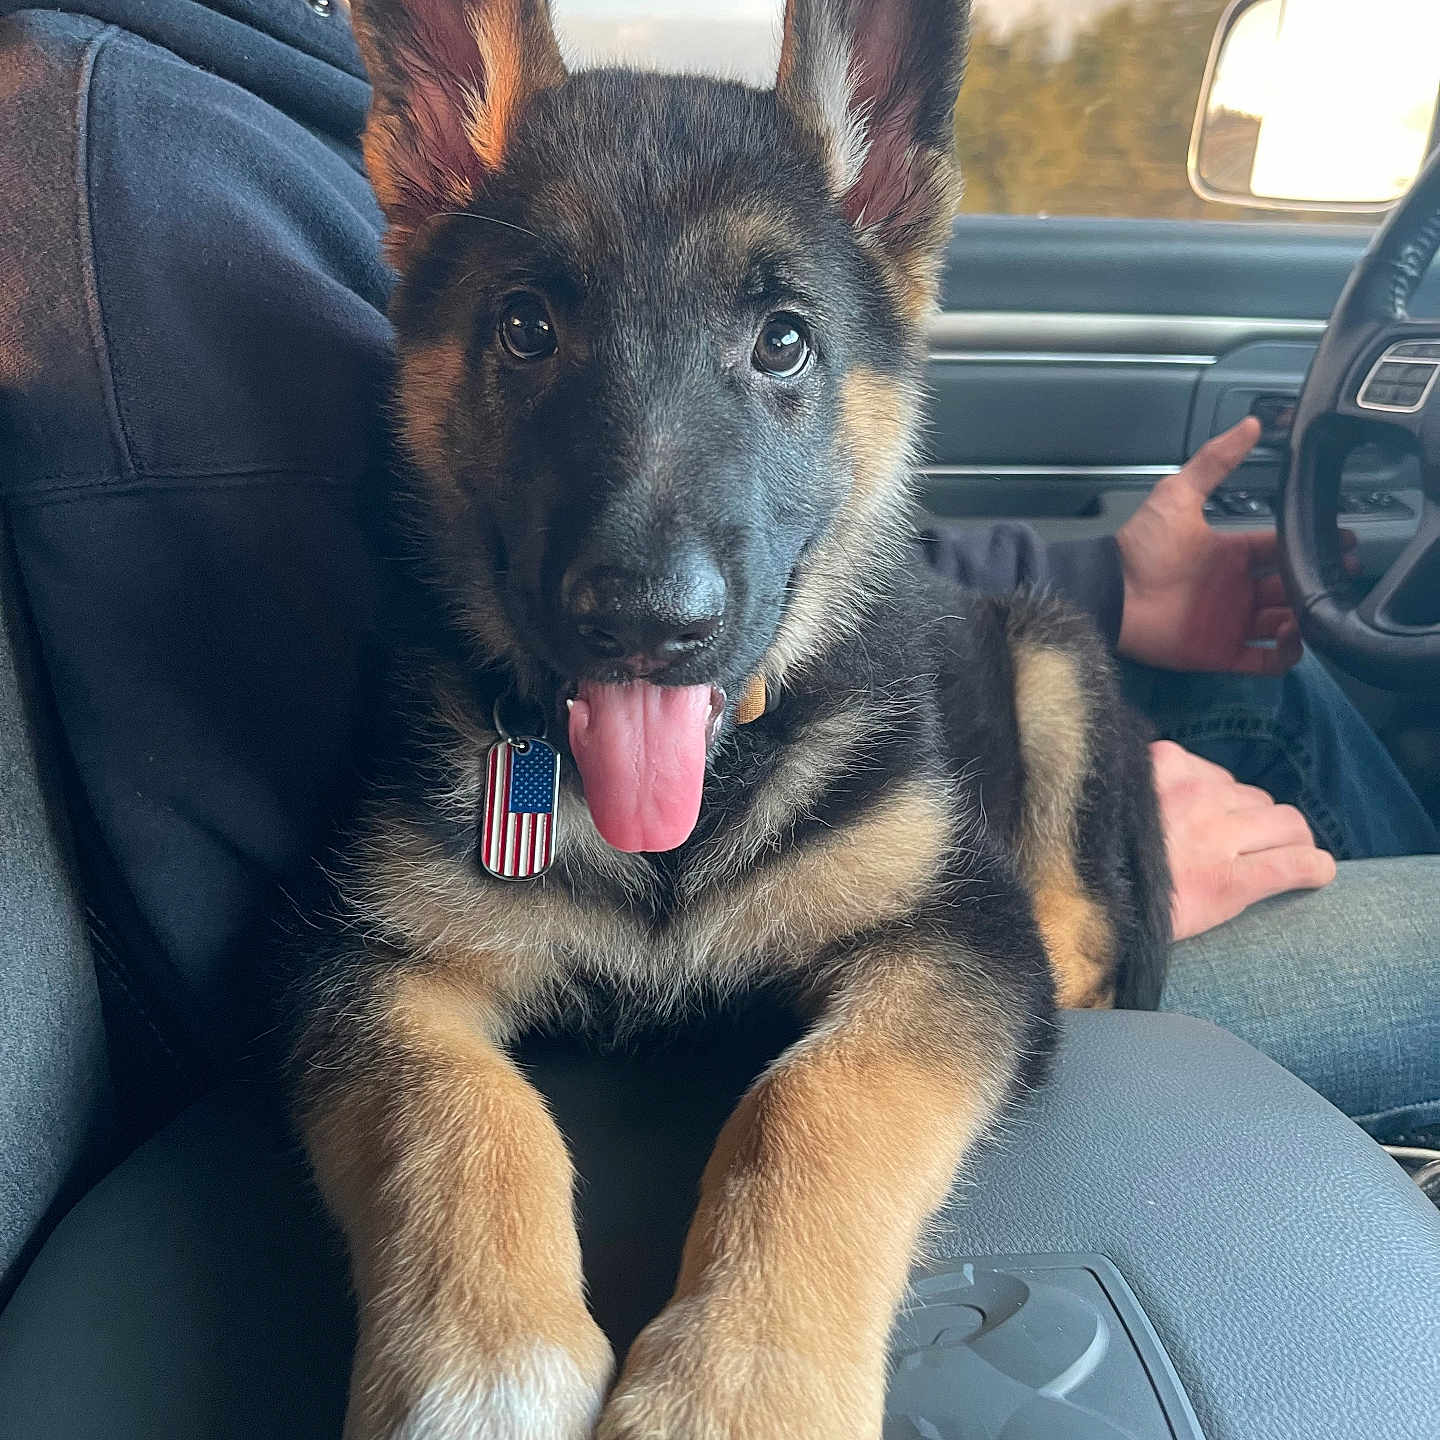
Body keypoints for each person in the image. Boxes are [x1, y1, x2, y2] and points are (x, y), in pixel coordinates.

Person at [0, 0, 1434, 1150]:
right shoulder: (127, 140)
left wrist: (1109, 606)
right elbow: (327, 957)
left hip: (954, 753)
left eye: (782, 341)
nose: (658, 597)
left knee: (1160, 671)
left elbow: (869, 569)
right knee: (1316, 745)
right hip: (666, 838)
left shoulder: (259, 90)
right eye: (528, 328)